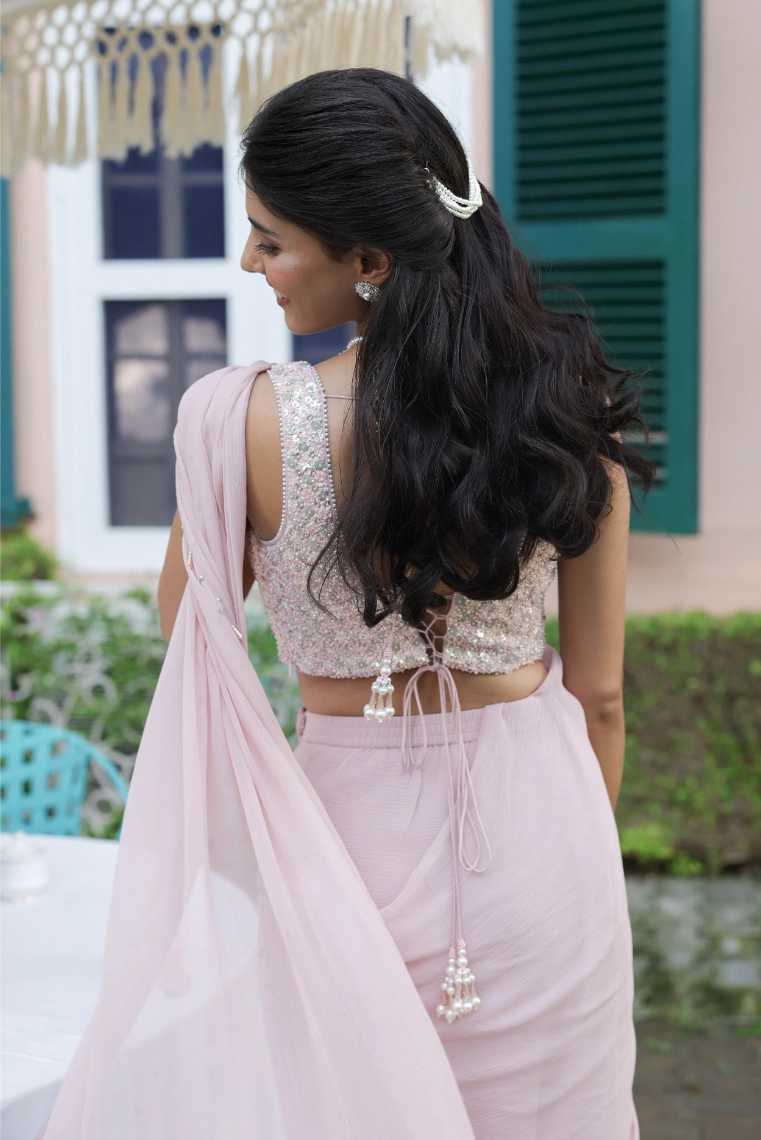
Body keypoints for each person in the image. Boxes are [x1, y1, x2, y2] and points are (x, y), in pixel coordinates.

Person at [155, 69, 650, 1138]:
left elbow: (190, 636)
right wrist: (562, 859)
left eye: (271, 239)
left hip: (336, 834)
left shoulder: (235, 422)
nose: (252, 263)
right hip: (543, 837)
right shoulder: (568, 413)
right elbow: (600, 694)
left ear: (369, 260)